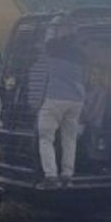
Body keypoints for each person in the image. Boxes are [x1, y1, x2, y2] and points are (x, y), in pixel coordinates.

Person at [31, 24, 86, 186]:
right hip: (76, 101)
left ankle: (50, 176)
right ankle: (67, 174)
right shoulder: (80, 55)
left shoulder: (54, 48)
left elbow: (48, 40)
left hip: (55, 98)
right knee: (69, 138)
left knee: (46, 137)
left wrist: (54, 24)